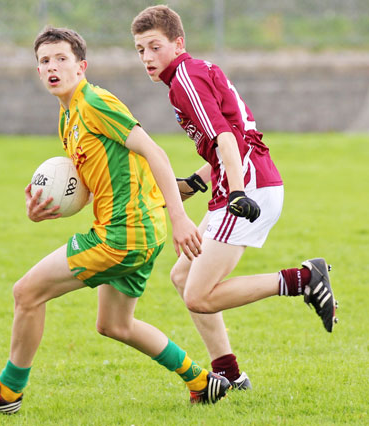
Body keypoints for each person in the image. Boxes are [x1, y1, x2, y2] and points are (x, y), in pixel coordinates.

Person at [0, 26, 232, 414]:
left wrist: (181, 217)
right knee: (114, 325)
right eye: (45, 61)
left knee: (26, 293)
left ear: (81, 66)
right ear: (38, 71)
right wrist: (42, 210)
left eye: (62, 59)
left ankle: (9, 392)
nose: (53, 67)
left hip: (124, 233)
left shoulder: (95, 103)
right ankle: (202, 382)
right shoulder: (67, 121)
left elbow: (155, 153)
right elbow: (92, 186)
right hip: (136, 230)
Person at [131, 5, 338, 389]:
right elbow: (235, 136)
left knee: (198, 296)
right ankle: (229, 374)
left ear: (178, 44)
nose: (146, 57)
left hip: (248, 189)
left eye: (154, 47)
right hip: (247, 183)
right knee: (183, 274)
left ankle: (303, 278)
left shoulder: (184, 80)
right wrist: (195, 182)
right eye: (140, 49)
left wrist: (238, 192)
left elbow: (226, 138)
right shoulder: (194, 72)